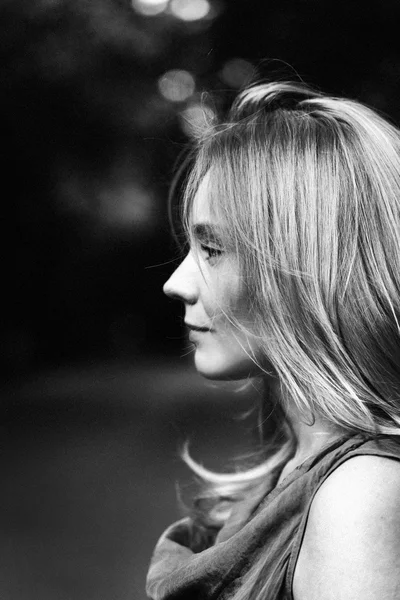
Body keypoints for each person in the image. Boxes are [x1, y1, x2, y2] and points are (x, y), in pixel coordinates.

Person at [146, 81, 400, 600]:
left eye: (212, 248)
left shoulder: (357, 497)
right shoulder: (300, 474)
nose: (176, 282)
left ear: (306, 272)